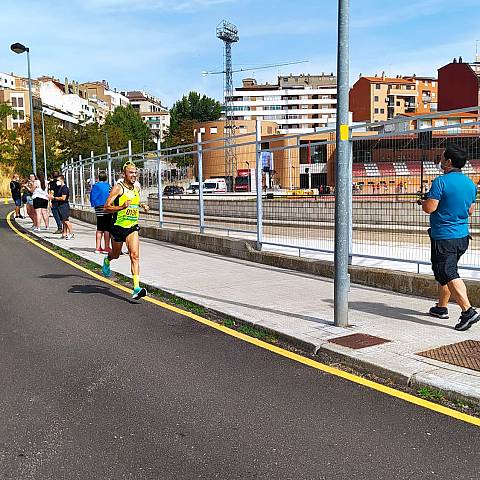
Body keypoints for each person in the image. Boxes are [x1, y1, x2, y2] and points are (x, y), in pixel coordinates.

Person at [420, 144, 479, 331]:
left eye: (442, 157)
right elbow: (470, 210)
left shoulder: (440, 182)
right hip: (462, 237)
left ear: (449, 161)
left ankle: (468, 311)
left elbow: (430, 208)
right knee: (446, 272)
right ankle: (441, 308)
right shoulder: (470, 184)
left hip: (444, 237)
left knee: (448, 273)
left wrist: (424, 202)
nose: (440, 160)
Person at [102, 161, 149, 300]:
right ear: (124, 174)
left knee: (134, 255)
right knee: (116, 254)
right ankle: (107, 260)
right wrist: (121, 207)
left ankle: (136, 288)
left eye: (135, 172)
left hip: (132, 227)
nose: (134, 175)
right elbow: (106, 207)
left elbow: (134, 202)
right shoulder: (118, 188)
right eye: (131, 172)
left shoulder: (137, 188)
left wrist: (142, 205)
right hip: (117, 226)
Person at [90, 172, 112, 254]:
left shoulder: (95, 186)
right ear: (106, 178)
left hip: (98, 208)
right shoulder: (108, 186)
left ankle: (98, 247)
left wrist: (94, 204)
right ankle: (107, 247)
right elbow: (111, 195)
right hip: (107, 208)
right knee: (107, 229)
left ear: (98, 178)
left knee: (99, 228)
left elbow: (92, 195)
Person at [49, 175, 74, 239]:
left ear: (62, 180)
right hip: (60, 205)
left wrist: (54, 198)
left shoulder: (64, 188)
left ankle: (71, 233)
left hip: (64, 206)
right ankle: (64, 233)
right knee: (63, 221)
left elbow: (63, 198)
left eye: (58, 180)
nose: (57, 182)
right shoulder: (60, 187)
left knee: (66, 220)